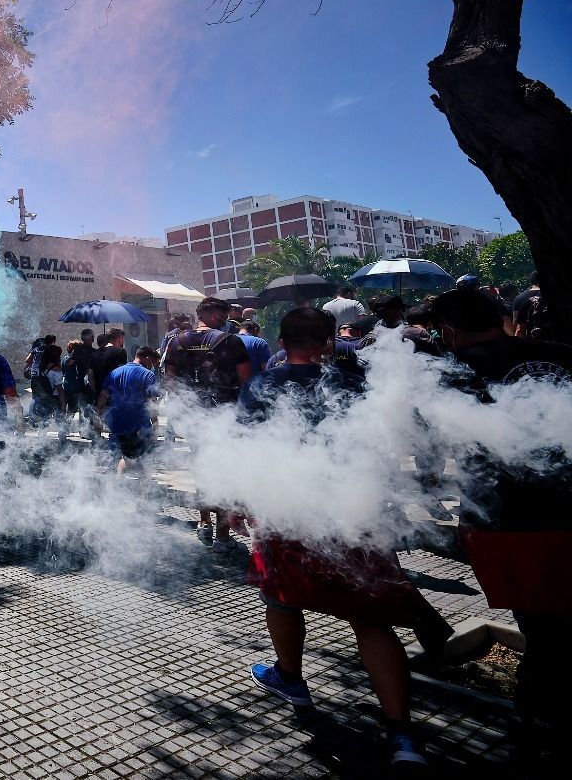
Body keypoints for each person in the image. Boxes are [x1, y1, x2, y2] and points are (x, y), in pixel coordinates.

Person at [239, 307, 437, 768]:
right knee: (370, 619)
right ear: (327, 342)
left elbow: (245, 449)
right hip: (354, 507)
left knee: (282, 598)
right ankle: (403, 737)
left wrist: (239, 503)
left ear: (281, 342)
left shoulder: (262, 386)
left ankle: (290, 677)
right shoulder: (354, 385)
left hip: (287, 508)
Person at [430, 288, 572, 764]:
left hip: (504, 525)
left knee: (544, 633)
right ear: (503, 318)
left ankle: (541, 730)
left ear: (449, 332)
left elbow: (431, 450)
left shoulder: (449, 374)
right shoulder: (562, 355)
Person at [162, 297, 255, 550]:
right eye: (224, 317)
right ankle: (223, 536)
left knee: (201, 467)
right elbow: (246, 380)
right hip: (224, 415)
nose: (226, 322)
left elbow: (170, 382)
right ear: (214, 315)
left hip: (193, 416)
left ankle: (204, 522)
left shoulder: (177, 342)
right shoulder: (231, 341)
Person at [98, 347, 160, 475]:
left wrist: (98, 417)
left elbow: (103, 396)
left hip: (117, 423)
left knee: (125, 457)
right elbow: (152, 402)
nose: (152, 366)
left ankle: (118, 485)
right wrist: (155, 425)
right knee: (144, 459)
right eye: (152, 362)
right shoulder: (148, 375)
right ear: (146, 358)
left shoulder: (115, 372)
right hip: (139, 424)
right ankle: (143, 490)